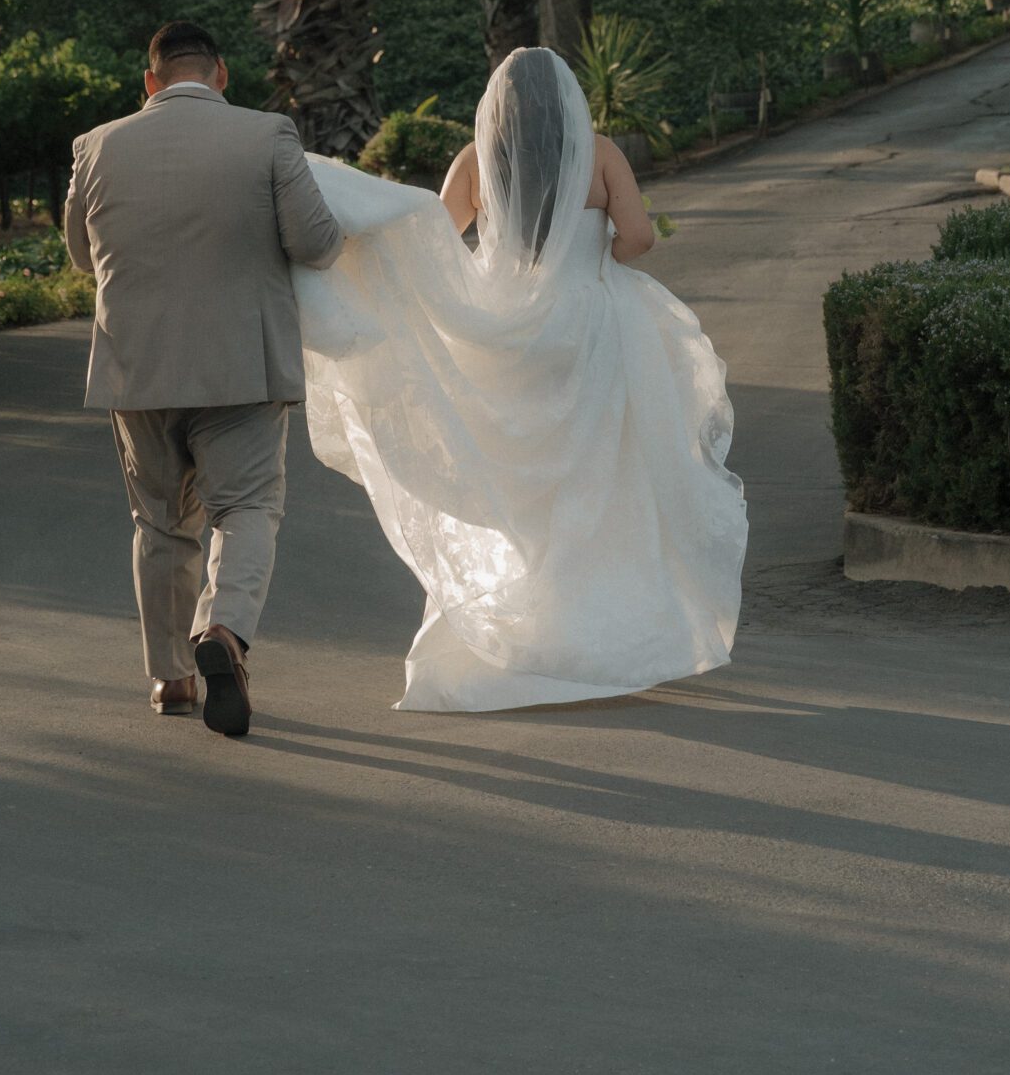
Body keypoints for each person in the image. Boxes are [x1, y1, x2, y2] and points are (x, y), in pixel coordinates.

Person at [293, 46, 747, 712]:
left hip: (505, 334)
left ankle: (529, 621)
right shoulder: (599, 153)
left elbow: (436, 240)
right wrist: (598, 255)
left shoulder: (475, 160)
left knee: (518, 487)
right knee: (600, 477)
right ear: (566, 98)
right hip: (591, 328)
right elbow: (640, 238)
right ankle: (602, 628)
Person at [64, 18, 343, 739]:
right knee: (246, 507)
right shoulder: (268, 134)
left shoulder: (96, 146)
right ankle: (223, 631)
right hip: (241, 367)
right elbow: (316, 242)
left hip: (136, 369)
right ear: (221, 75)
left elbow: (81, 254)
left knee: (160, 522)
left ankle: (171, 677)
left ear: (149, 82)